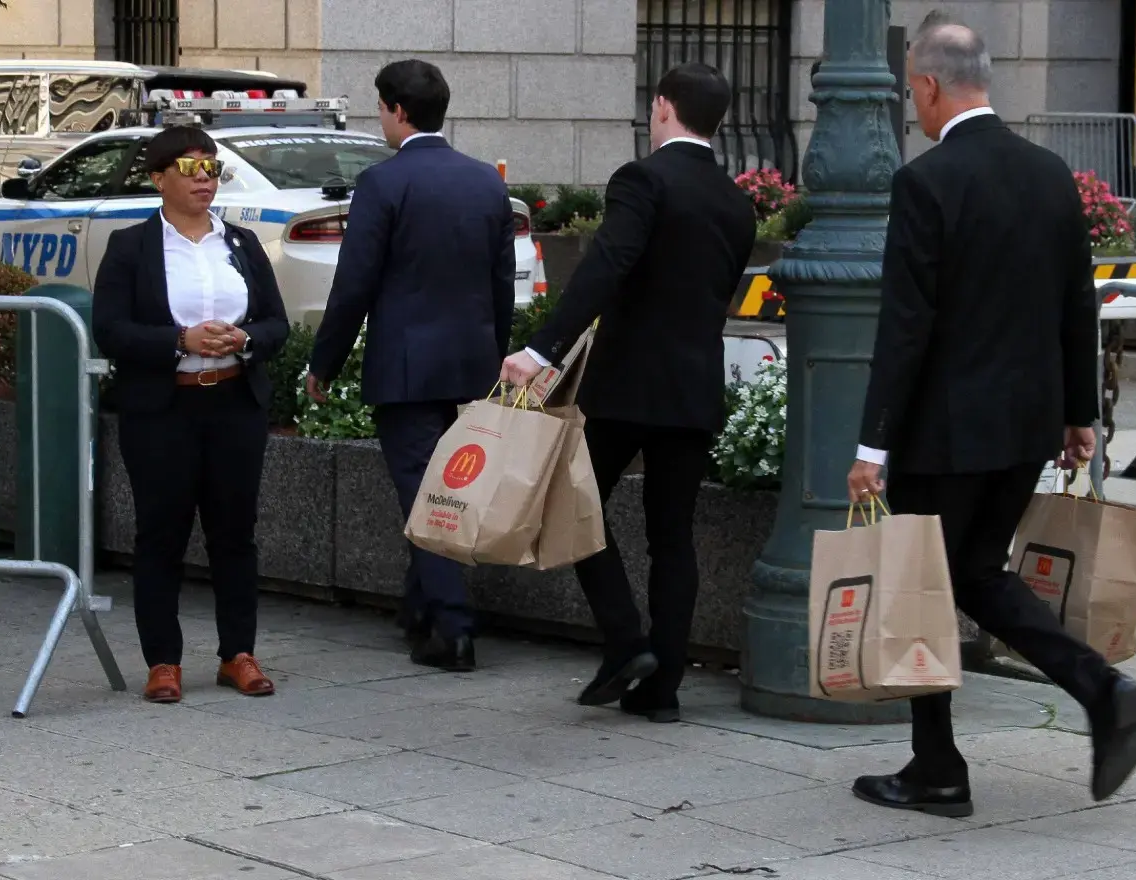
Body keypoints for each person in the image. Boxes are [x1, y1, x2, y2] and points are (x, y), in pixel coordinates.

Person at [845, 13, 1136, 816]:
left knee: (927, 584)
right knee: (974, 575)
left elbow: (905, 325)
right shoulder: (1051, 173)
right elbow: (1074, 302)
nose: (914, 105)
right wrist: (1079, 410)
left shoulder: (926, 182)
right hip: (1026, 428)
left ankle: (944, 766)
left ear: (930, 85)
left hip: (945, 434)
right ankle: (1092, 692)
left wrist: (872, 443)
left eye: (914, 88)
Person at [500, 62, 756, 723]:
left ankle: (623, 641)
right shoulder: (734, 200)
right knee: (673, 537)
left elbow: (605, 266)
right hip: (693, 385)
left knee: (573, 502)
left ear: (662, 108)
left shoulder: (642, 178)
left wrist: (538, 350)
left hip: (626, 383)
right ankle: (661, 690)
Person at [306, 59, 515, 673]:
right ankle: (419, 609)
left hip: (406, 370)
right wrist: (493, 351)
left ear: (397, 110)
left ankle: (452, 627)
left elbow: (354, 285)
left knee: (429, 501)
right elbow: (501, 282)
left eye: (380, 108)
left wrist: (325, 361)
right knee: (450, 490)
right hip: (471, 362)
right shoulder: (486, 182)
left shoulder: (382, 184)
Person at [92, 125, 290, 703]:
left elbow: (276, 324)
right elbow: (111, 330)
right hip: (163, 408)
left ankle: (238, 654)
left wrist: (243, 340)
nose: (205, 180)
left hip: (234, 403)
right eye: (190, 167)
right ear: (159, 178)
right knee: (161, 533)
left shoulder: (243, 244)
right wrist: (182, 340)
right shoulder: (131, 246)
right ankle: (163, 662)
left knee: (235, 532)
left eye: (213, 168)